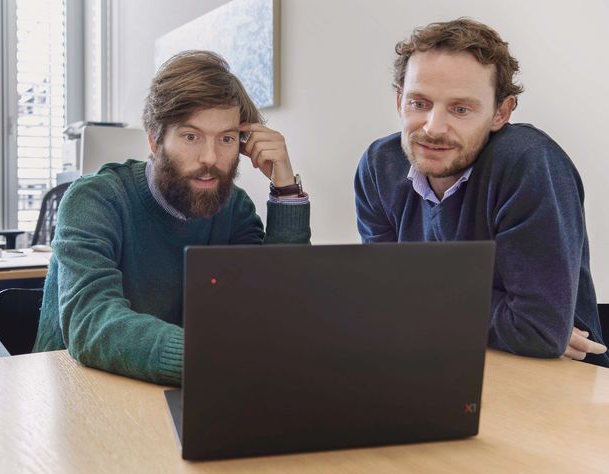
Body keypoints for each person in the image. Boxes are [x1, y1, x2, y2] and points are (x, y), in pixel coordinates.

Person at [33, 51, 311, 384]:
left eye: (226, 139)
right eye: (191, 136)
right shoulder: (94, 200)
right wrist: (210, 357)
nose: (210, 158)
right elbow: (92, 321)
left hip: (182, 391)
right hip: (75, 392)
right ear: (154, 138)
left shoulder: (233, 208)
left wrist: (285, 190)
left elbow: (273, 306)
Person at [354, 18, 608, 367]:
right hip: (437, 363)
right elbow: (383, 296)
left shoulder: (527, 164)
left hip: (555, 379)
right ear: (400, 101)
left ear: (501, 112)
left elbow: (538, 330)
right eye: (419, 103)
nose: (433, 128)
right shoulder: (378, 167)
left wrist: (417, 299)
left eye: (460, 109)